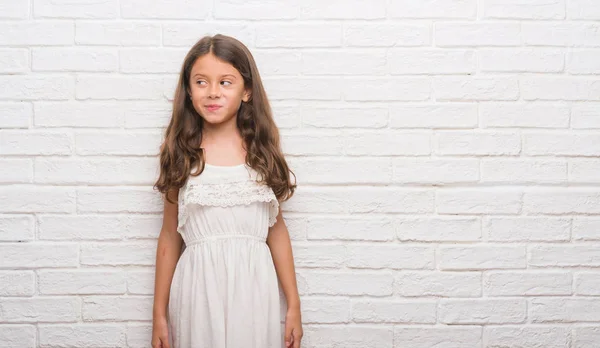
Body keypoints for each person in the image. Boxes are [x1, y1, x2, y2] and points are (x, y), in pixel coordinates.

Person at [151, 34, 303, 348]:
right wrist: (159, 313)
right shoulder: (181, 154)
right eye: (201, 82)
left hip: (253, 288)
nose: (213, 93)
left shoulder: (262, 154)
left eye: (226, 82)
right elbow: (169, 236)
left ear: (247, 90)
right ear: (189, 91)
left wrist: (294, 304)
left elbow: (276, 231)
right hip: (198, 288)